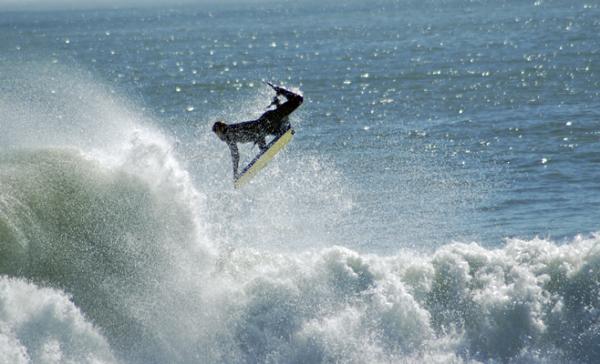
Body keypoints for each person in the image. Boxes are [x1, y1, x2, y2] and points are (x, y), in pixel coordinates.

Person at [212, 83, 303, 179]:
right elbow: (255, 136)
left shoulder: (229, 133)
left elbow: (236, 154)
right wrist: (263, 150)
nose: (218, 137)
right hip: (269, 126)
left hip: (269, 120)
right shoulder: (230, 136)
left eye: (216, 133)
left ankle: (280, 91)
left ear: (219, 130)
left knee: (298, 100)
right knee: (283, 129)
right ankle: (277, 102)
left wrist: (235, 173)